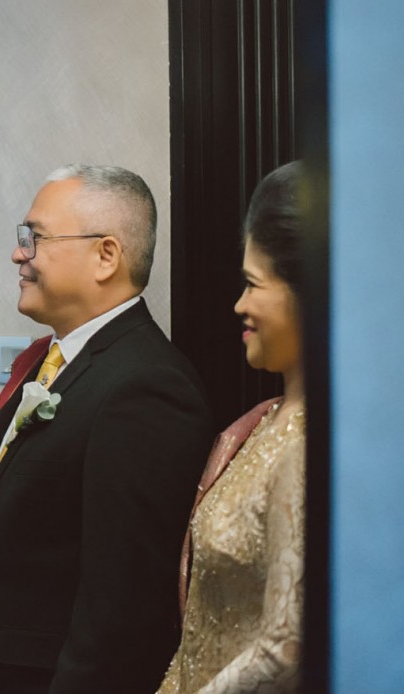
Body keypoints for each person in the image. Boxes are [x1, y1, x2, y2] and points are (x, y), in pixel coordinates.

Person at [0, 164, 214, 694]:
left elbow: (122, 614)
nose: (18, 254)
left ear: (106, 256)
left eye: (35, 238)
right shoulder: (49, 362)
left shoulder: (147, 386)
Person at [158, 161, 305, 693]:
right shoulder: (264, 423)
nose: (239, 305)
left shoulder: (314, 447)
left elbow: (287, 649)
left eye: (252, 284)